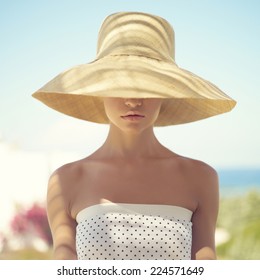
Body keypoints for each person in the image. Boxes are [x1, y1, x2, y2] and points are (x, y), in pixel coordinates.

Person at [32, 12, 236, 260]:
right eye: (119, 86)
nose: (133, 100)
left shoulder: (200, 177)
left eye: (148, 87)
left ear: (166, 93)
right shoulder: (67, 180)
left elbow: (205, 271)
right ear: (99, 92)